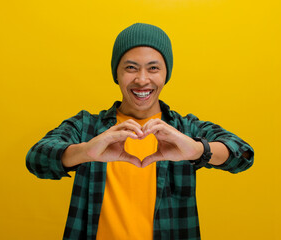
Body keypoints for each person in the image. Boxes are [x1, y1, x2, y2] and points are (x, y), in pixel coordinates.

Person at [26, 23, 254, 240]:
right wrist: (85, 151)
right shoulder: (87, 127)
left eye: (153, 68)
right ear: (116, 73)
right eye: (130, 68)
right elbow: (36, 159)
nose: (142, 80)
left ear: (166, 74)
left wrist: (196, 150)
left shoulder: (185, 129)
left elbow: (244, 156)